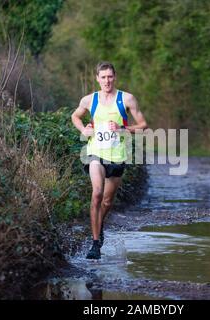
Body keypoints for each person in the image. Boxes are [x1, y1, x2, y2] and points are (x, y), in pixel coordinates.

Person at [71, 61, 148, 259]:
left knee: (107, 201)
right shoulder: (89, 100)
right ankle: (95, 244)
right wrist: (83, 129)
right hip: (95, 152)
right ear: (97, 79)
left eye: (110, 77)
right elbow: (75, 116)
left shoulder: (127, 99)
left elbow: (143, 125)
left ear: (115, 77)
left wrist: (124, 129)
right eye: (103, 77)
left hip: (117, 156)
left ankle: (99, 224)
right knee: (97, 193)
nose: (107, 80)